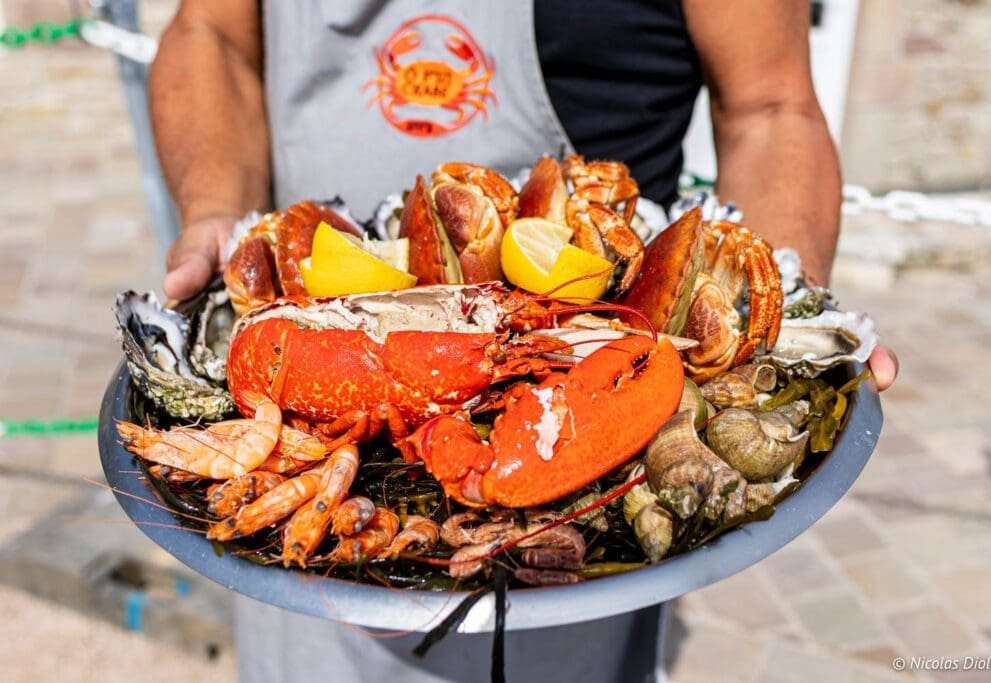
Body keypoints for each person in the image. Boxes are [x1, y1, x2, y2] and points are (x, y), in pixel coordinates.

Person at [150, 2, 898, 680]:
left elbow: (771, 106)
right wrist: (216, 208)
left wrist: (784, 301)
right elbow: (208, 30)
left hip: (576, 615)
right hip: (303, 575)